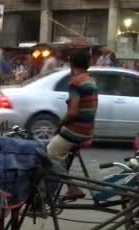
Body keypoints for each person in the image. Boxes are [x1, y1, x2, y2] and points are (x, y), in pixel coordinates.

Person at [47, 50, 98, 201]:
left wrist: (59, 125)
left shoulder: (76, 82)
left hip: (77, 130)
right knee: (57, 149)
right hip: (87, 130)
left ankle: (72, 187)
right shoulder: (90, 80)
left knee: (50, 152)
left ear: (71, 64)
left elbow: (73, 113)